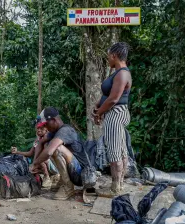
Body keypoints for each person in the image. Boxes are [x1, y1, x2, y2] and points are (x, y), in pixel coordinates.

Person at [92, 42, 132, 197]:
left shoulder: (122, 73)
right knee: (121, 149)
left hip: (115, 113)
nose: (108, 58)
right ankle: (119, 184)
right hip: (113, 113)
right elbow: (108, 96)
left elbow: (114, 99)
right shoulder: (118, 73)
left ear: (114, 56)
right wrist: (99, 107)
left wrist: (98, 113)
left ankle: (115, 188)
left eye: (108, 55)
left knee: (115, 153)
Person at [31, 107, 83, 200]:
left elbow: (50, 151)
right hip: (73, 170)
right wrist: (35, 163)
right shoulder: (54, 132)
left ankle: (68, 187)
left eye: (46, 124)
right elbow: (40, 143)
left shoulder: (66, 130)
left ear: (54, 120)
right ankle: (63, 180)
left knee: (55, 148)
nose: (46, 127)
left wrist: (36, 163)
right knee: (47, 144)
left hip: (81, 174)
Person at [11, 121, 53, 188]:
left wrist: (36, 162)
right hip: (39, 163)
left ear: (46, 130)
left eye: (41, 128)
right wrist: (17, 152)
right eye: (37, 128)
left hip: (50, 163)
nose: (39, 130)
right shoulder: (36, 141)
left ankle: (47, 177)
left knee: (39, 160)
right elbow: (30, 153)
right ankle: (38, 180)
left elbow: (48, 154)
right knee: (31, 169)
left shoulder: (47, 140)